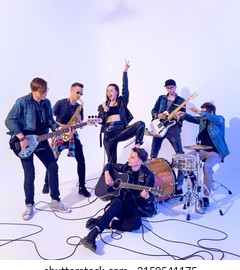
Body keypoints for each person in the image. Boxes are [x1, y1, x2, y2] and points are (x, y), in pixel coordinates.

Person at [5, 77, 71, 220]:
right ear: (34, 90)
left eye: (46, 90)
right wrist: (21, 138)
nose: (44, 94)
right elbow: (9, 120)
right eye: (42, 92)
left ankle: (55, 201)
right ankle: (29, 205)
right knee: (30, 174)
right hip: (25, 142)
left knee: (53, 167)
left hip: (41, 141)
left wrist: (59, 129)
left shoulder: (46, 103)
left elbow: (50, 122)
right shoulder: (22, 102)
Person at [81, 147, 156, 253]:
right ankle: (90, 236)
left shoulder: (148, 176)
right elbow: (109, 165)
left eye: (132, 157)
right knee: (116, 203)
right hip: (120, 202)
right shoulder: (126, 167)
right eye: (130, 155)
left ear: (140, 161)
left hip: (133, 206)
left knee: (136, 224)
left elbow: (152, 198)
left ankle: (104, 222)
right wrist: (107, 174)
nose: (128, 158)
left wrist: (147, 197)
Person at [42, 82, 90, 197]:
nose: (79, 95)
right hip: (59, 133)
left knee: (81, 160)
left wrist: (79, 121)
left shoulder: (79, 107)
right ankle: (46, 183)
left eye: (81, 94)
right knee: (52, 160)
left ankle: (82, 187)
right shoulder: (60, 103)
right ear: (71, 91)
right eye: (78, 92)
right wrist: (62, 127)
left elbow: (81, 126)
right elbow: (50, 119)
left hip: (72, 135)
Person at [178, 102, 230, 208]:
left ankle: (206, 197)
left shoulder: (220, 119)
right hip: (202, 150)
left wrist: (202, 113)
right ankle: (193, 179)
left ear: (211, 112)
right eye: (201, 111)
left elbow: (216, 120)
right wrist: (184, 115)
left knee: (207, 165)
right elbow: (193, 118)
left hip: (216, 152)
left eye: (204, 111)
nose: (201, 113)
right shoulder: (203, 120)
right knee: (184, 158)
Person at [98, 60, 145, 163]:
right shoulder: (102, 105)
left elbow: (125, 89)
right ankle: (109, 177)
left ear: (116, 92)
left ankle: (137, 147)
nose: (108, 92)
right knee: (111, 162)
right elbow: (100, 121)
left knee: (141, 124)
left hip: (121, 131)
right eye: (107, 91)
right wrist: (105, 112)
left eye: (111, 90)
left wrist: (125, 72)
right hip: (109, 135)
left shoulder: (122, 101)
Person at [150, 79, 186, 194]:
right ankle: (152, 182)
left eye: (171, 87)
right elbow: (153, 110)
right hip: (160, 128)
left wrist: (178, 117)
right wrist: (157, 115)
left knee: (180, 155)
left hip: (173, 129)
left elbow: (183, 116)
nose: (170, 89)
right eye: (168, 88)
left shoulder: (181, 101)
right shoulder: (161, 98)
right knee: (153, 155)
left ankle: (179, 185)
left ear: (175, 87)